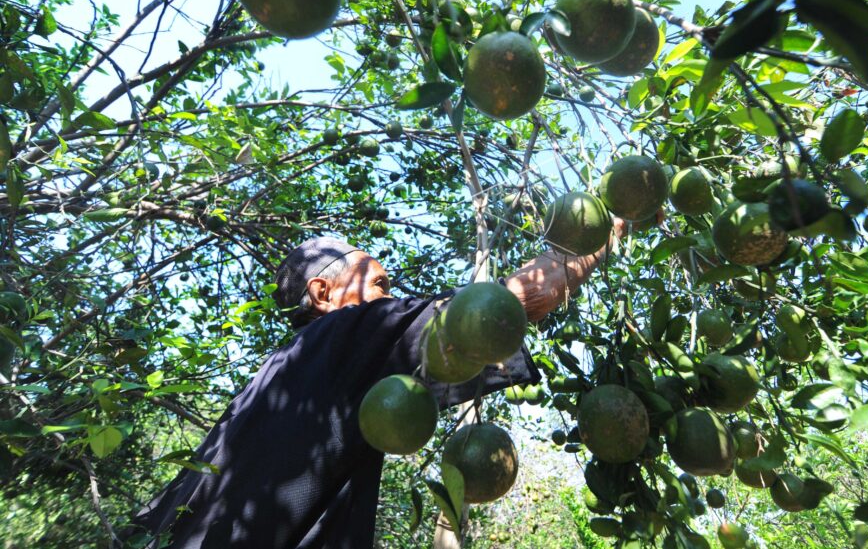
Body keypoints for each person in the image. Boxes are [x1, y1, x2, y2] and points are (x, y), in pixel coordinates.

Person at [123, 223, 624, 549]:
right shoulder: (344, 336)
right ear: (323, 293)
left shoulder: (271, 382)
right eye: (381, 284)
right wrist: (606, 227)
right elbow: (512, 304)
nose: (391, 297)